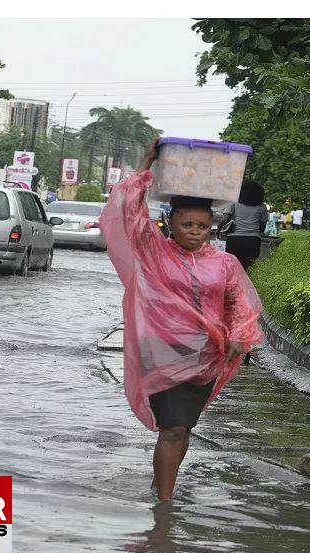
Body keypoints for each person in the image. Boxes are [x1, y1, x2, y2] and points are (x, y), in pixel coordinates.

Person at [99, 140, 264, 502]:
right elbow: (129, 214)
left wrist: (240, 334)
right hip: (161, 352)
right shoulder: (153, 252)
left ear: (212, 226)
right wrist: (147, 163)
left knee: (183, 428)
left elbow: (240, 304)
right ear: (169, 223)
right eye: (187, 223)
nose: (195, 231)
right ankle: (165, 505)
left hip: (206, 358)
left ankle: (162, 487)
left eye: (203, 226)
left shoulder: (224, 264)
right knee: (173, 428)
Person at [223, 180, 268, 272]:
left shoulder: (233, 203)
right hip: (253, 240)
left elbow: (224, 220)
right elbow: (262, 227)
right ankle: (246, 285)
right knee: (249, 268)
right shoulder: (262, 207)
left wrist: (219, 230)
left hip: (234, 240)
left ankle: (232, 285)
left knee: (232, 268)